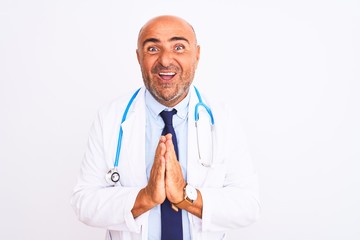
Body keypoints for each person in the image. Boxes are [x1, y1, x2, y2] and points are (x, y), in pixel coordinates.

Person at [71, 15, 261, 240]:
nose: (165, 60)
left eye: (178, 47)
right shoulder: (110, 118)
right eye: (152, 49)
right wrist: (145, 197)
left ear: (197, 55)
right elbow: (84, 202)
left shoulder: (223, 119)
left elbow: (248, 206)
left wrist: (186, 196)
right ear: (138, 57)